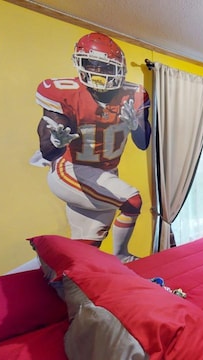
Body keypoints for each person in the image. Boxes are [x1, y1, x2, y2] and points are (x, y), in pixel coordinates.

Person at [33, 32, 150, 263]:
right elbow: (48, 147)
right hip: (72, 169)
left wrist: (135, 125)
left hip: (106, 174)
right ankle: (122, 256)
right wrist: (56, 141)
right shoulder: (64, 92)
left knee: (87, 248)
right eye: (92, 65)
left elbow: (143, 142)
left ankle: (57, 276)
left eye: (105, 67)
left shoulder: (133, 94)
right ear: (80, 63)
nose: (98, 73)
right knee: (131, 200)